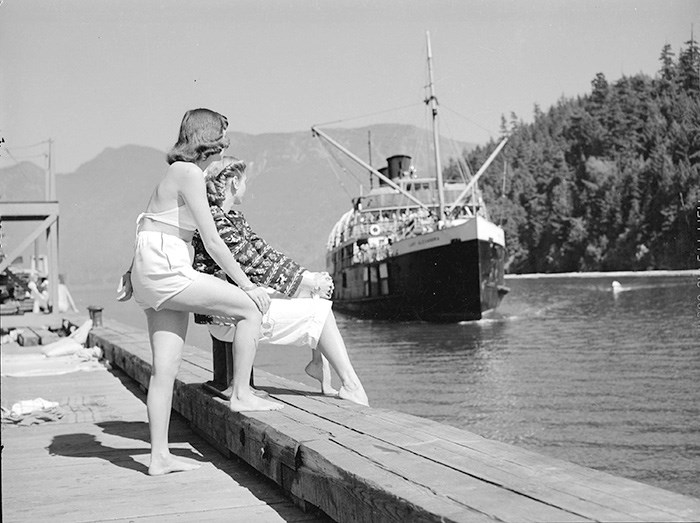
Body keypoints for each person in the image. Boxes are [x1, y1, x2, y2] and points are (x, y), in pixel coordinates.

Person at [117, 108, 282, 476]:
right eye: (224, 135)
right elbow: (213, 240)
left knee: (165, 369)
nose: (227, 142)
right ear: (210, 137)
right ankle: (241, 394)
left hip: (151, 272)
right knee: (250, 310)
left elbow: (148, 221)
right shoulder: (189, 173)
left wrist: (131, 274)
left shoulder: (173, 174)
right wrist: (248, 284)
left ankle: (158, 457)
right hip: (168, 269)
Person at [192, 156, 368, 406]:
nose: (246, 187)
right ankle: (352, 385)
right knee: (321, 312)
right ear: (233, 183)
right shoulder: (217, 222)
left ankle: (319, 365)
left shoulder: (232, 218)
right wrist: (309, 282)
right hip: (227, 318)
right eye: (245, 181)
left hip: (235, 307)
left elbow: (266, 254)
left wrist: (310, 280)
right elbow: (253, 265)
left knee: (311, 296)